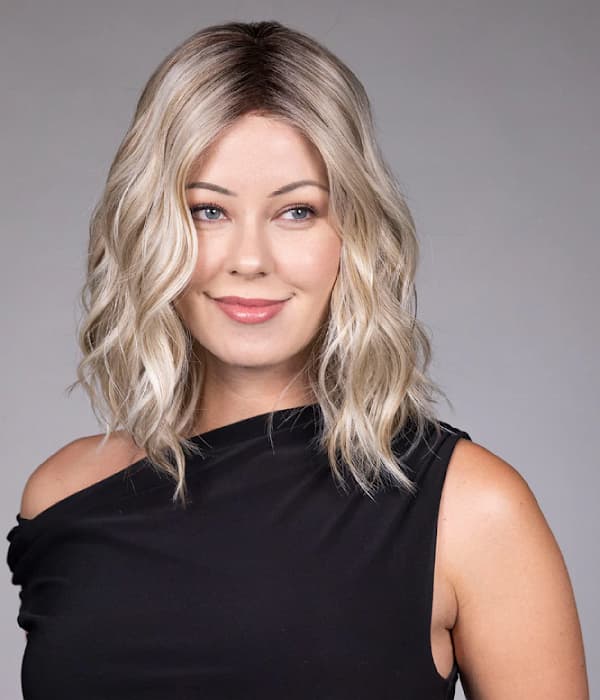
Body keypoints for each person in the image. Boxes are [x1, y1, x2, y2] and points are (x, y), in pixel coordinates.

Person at [5, 20, 589, 700]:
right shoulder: (63, 494)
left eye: (297, 212)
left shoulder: (471, 510)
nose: (250, 260)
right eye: (208, 211)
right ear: (149, 227)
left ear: (354, 232)